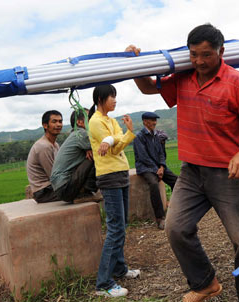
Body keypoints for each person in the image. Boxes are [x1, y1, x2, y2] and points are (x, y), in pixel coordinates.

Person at [126, 23, 239, 302]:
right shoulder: (183, 78)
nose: (199, 62)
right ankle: (205, 283)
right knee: (176, 228)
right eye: (194, 55)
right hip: (192, 172)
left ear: (221, 51)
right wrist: (136, 63)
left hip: (229, 174)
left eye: (206, 55)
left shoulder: (236, 81)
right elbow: (147, 88)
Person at [88, 84, 140, 298]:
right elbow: (111, 142)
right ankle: (103, 283)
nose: (115, 100)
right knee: (115, 228)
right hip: (109, 176)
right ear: (101, 98)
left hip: (120, 172)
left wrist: (127, 132)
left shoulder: (110, 120)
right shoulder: (96, 121)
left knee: (122, 224)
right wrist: (113, 138)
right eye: (112, 96)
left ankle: (119, 269)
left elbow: (116, 147)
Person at [133, 112, 178, 230]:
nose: (154, 122)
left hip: (158, 167)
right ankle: (160, 218)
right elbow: (143, 157)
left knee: (177, 181)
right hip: (145, 167)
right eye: (152, 120)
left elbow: (161, 154)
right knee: (153, 183)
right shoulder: (139, 137)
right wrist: (156, 169)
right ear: (145, 122)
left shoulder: (156, 136)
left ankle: (176, 209)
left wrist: (162, 167)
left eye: (155, 120)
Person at [50, 109, 100, 203]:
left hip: (61, 188)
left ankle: (83, 192)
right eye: (90, 118)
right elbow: (103, 146)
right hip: (65, 187)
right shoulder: (81, 134)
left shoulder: (76, 134)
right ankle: (85, 193)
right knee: (98, 155)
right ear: (80, 122)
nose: (93, 120)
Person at [26, 110, 63, 203]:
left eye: (60, 121)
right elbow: (54, 175)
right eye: (54, 121)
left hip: (51, 187)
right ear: (45, 125)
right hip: (43, 192)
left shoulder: (55, 145)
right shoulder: (43, 146)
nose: (58, 124)